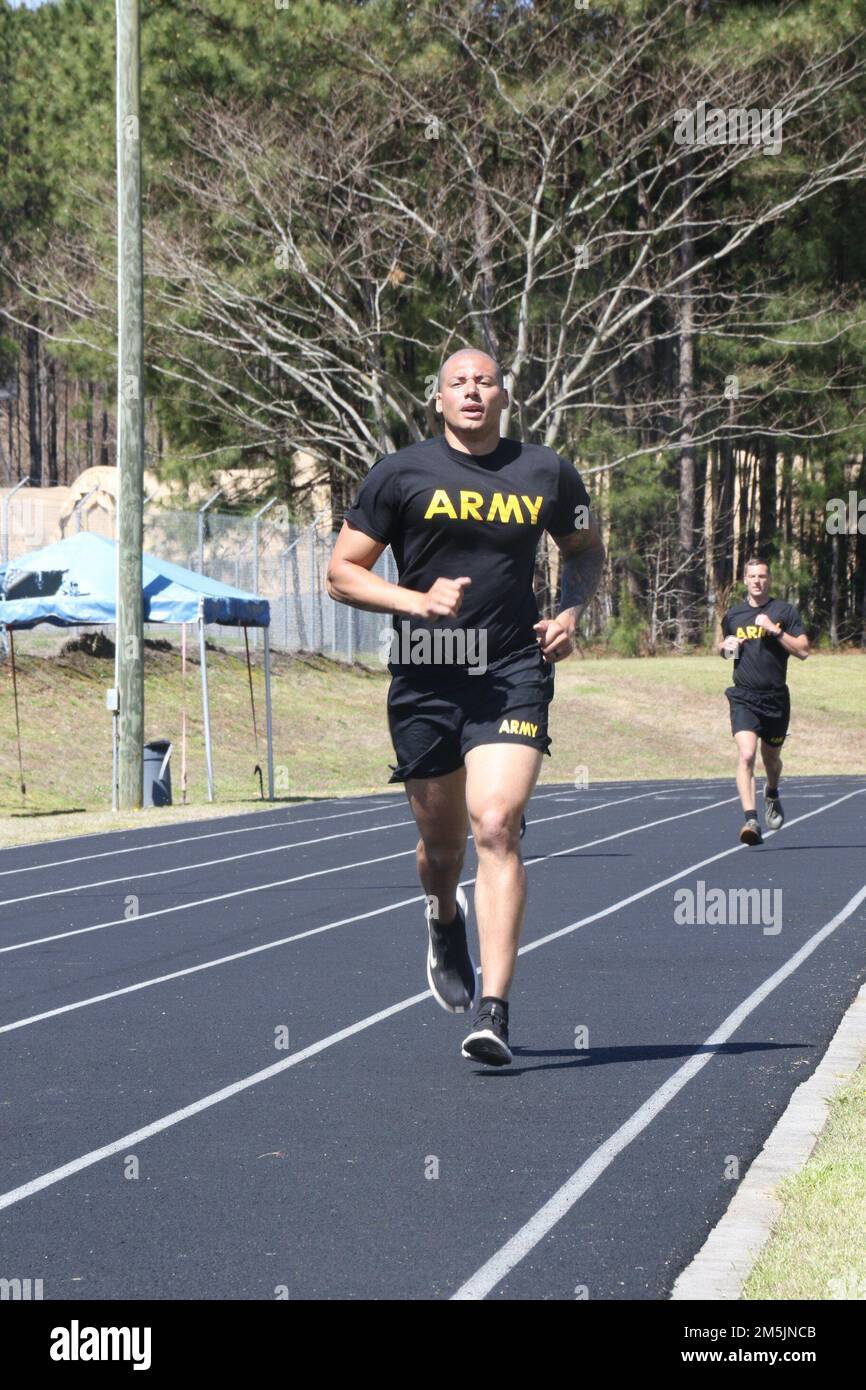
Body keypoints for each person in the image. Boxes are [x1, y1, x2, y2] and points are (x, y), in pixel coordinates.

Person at [327, 347, 604, 1064]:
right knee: (442, 846)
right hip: (426, 674)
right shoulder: (400, 473)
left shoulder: (544, 471)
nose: (472, 391)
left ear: (503, 396)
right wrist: (415, 602)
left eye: (484, 381)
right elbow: (341, 574)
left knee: (496, 823)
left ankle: (495, 1011)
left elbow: (583, 550)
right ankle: (443, 915)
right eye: (459, 383)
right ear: (439, 400)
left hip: (512, 670)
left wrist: (571, 613)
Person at [719, 557, 810, 845]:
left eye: (762, 576)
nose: (757, 581)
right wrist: (725, 648)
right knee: (746, 755)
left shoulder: (784, 611)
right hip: (744, 695)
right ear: (744, 580)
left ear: (768, 580)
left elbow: (804, 651)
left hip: (775, 698)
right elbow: (727, 652)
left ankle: (771, 791)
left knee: (771, 758)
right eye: (752, 576)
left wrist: (775, 630)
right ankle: (751, 820)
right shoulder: (733, 616)